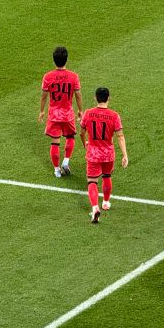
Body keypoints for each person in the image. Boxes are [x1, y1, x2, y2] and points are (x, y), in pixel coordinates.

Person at [79, 87, 128, 222]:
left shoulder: (88, 113)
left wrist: (85, 143)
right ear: (108, 98)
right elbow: (120, 136)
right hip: (108, 153)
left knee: (92, 181)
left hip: (93, 153)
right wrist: (125, 155)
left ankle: (95, 208)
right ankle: (106, 202)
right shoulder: (114, 115)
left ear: (95, 98)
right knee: (107, 176)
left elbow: (81, 133)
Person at [38, 47, 83, 178]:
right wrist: (80, 110)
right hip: (68, 114)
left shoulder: (48, 76)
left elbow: (44, 96)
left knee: (55, 142)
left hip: (54, 115)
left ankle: (57, 170)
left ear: (54, 60)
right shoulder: (73, 76)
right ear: (66, 60)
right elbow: (78, 95)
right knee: (70, 137)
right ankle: (66, 161)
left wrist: (41, 111)